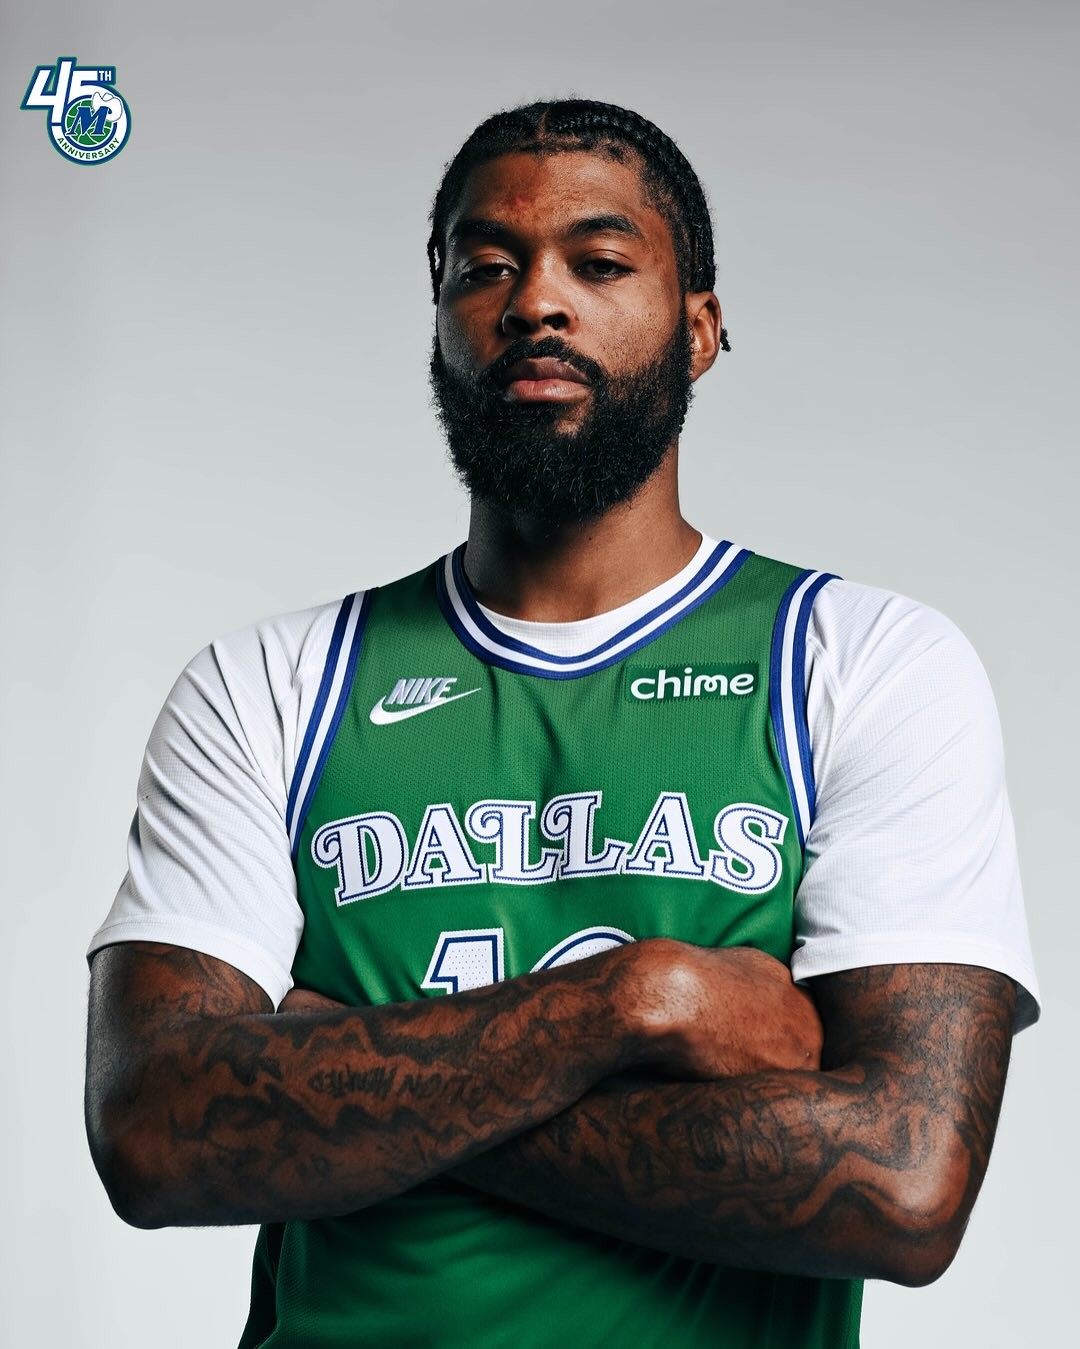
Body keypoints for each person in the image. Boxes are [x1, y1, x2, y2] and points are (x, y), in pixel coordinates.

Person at [84, 99, 1039, 1349]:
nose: (536, 300)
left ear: (699, 330)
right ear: (439, 322)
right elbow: (155, 1130)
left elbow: (902, 1185)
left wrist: (351, 1069)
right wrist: (633, 1001)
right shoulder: (269, 682)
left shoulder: (863, 663)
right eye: (487, 267)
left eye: (599, 263)